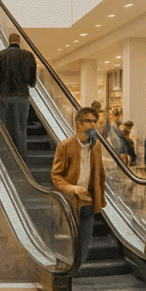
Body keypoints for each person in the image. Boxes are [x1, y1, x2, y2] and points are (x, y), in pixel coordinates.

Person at [51, 107, 107, 271]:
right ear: (79, 124)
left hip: (88, 201)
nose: (93, 125)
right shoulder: (65, 146)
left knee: (85, 242)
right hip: (71, 202)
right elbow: (56, 176)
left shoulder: (96, 146)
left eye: (95, 121)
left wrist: (100, 198)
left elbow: (100, 173)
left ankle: (75, 270)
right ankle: (67, 270)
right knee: (69, 240)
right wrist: (71, 188)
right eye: (89, 121)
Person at [0, 32, 37, 159]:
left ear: (9, 41)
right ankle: (21, 158)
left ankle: (7, 157)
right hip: (22, 97)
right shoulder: (28, 55)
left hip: (5, 97)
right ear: (19, 41)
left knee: (6, 129)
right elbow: (32, 82)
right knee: (21, 129)